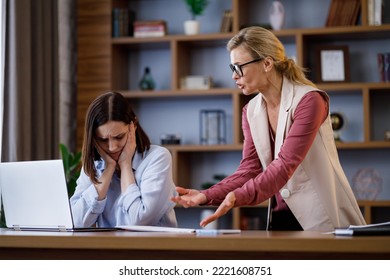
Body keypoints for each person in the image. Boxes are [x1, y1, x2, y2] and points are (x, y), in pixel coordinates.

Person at [171, 26, 366, 231]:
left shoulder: (310, 101)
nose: (234, 76)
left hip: (322, 217)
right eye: (232, 69)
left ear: (266, 63)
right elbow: (250, 169)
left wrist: (237, 197)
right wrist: (206, 195)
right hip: (279, 217)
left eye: (239, 67)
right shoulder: (250, 110)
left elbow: (284, 165)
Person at [70, 91, 177, 228]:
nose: (112, 147)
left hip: (151, 248)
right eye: (103, 140)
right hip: (109, 248)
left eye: (119, 137)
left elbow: (139, 221)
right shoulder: (93, 166)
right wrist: (108, 169)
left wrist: (125, 165)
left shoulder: (157, 158)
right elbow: (75, 223)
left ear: (134, 126)